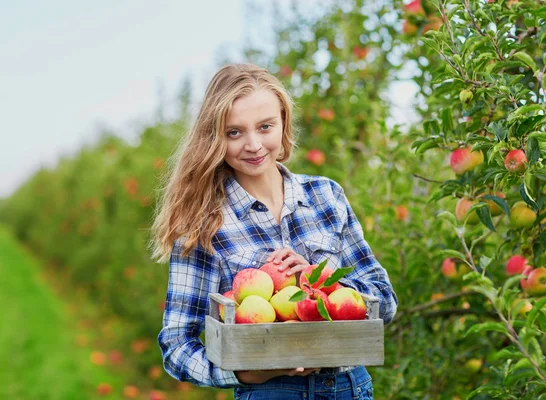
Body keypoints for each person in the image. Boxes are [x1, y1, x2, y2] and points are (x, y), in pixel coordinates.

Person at [151, 63, 398, 399]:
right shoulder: (203, 222)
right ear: (214, 138)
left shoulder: (326, 196)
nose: (253, 144)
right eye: (234, 132)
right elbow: (177, 344)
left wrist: (325, 281)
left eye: (265, 127)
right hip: (270, 392)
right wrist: (246, 372)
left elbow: (385, 300)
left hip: (348, 386)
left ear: (283, 123)